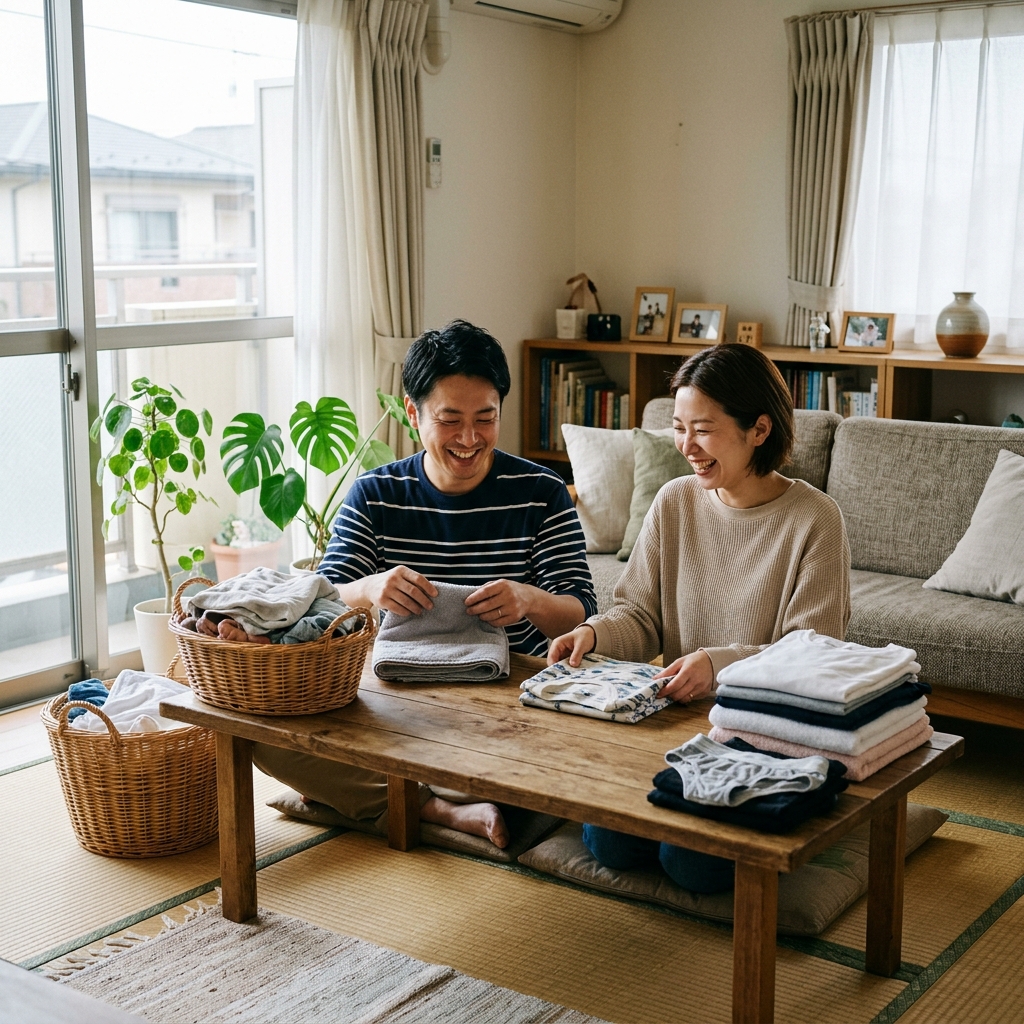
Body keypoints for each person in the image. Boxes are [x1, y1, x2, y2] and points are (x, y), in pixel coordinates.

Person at [254, 320, 596, 848]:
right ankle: (440, 805)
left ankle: (389, 794)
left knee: (576, 757)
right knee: (262, 737)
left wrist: (529, 601)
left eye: (486, 418)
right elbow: (319, 602)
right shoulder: (375, 494)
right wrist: (370, 589)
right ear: (413, 415)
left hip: (510, 705)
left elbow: (582, 611)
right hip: (397, 701)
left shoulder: (542, 493)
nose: (469, 438)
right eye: (450, 420)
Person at [547, 343, 851, 892]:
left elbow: (812, 654)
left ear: (759, 429)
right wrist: (593, 634)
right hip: (679, 725)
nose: (686, 446)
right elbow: (639, 614)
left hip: (764, 734)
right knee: (608, 841)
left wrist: (719, 663)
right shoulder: (674, 501)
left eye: (703, 430)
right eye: (679, 427)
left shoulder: (815, 519)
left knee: (693, 864)